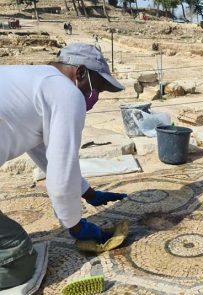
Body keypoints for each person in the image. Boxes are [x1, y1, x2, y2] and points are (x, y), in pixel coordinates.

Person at [0, 43, 128, 289]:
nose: (95, 97)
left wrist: (87, 192)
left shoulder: (36, 79)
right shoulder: (66, 93)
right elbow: (60, 176)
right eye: (97, 88)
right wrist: (76, 225)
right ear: (80, 73)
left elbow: (45, 153)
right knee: (19, 259)